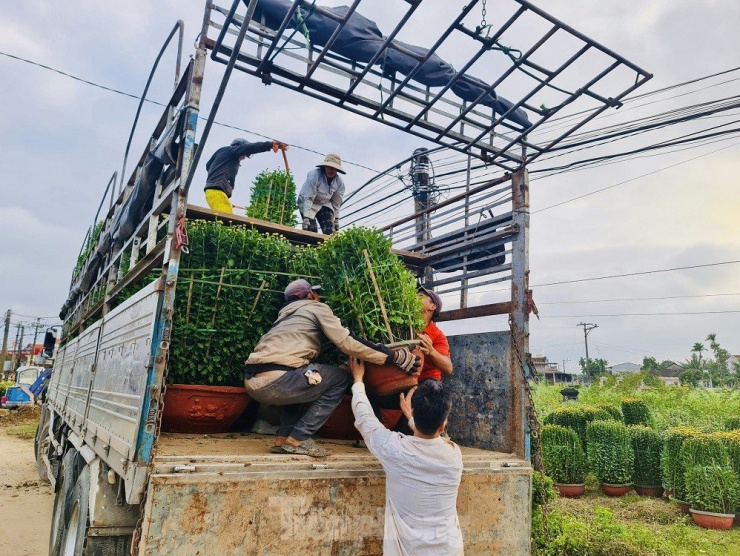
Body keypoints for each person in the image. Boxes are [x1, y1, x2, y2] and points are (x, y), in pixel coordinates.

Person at [243, 278, 419, 458]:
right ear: (311, 295)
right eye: (316, 293)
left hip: (253, 382)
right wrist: (392, 357)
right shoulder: (316, 307)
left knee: (307, 376)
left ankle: (283, 439)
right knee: (339, 379)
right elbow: (347, 341)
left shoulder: (284, 317)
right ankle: (299, 439)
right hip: (279, 379)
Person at [349, 357, 464, 555]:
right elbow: (433, 437)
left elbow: (365, 417)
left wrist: (358, 380)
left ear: (413, 411)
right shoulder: (454, 457)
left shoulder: (395, 450)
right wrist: (412, 418)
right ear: (443, 425)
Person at [204, 138, 288, 213]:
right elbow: (249, 148)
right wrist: (269, 144)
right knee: (227, 223)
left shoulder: (223, 153)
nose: (243, 158)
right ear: (238, 147)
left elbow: (208, 165)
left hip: (216, 193)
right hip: (216, 192)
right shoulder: (231, 151)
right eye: (244, 155)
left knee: (226, 219)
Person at [297, 153, 345, 234]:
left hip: (325, 203)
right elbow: (308, 197)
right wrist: (306, 217)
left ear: (337, 170)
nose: (331, 170)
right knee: (311, 230)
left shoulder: (339, 183)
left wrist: (336, 219)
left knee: (330, 232)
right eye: (329, 167)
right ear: (325, 167)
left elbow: (337, 202)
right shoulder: (315, 175)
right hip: (308, 202)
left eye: (334, 168)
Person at [416, 286, 453, 382]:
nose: (415, 298)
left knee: (431, 385)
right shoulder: (403, 328)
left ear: (432, 306)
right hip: (405, 381)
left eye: (420, 296)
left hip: (426, 381)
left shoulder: (438, 335)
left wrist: (431, 351)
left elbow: (448, 368)